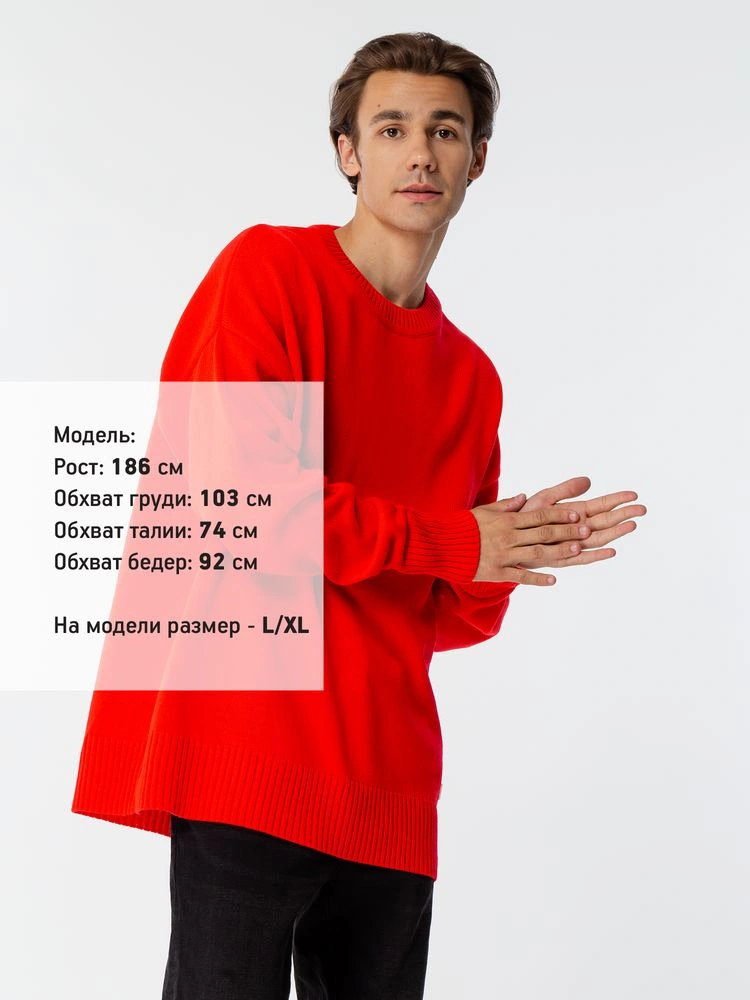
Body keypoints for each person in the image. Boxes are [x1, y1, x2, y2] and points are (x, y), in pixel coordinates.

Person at [71, 31, 645, 1000]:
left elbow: (442, 613)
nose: (420, 152)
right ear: (348, 151)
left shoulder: (470, 375)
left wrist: (509, 553)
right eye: (392, 128)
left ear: (477, 159)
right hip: (248, 753)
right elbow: (243, 507)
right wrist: (457, 541)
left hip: (391, 786)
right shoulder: (268, 273)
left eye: (445, 130)